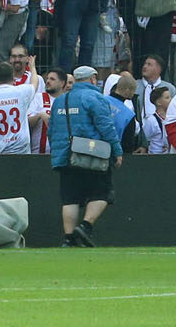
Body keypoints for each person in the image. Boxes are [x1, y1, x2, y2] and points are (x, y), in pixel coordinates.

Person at [49, 65, 122, 247]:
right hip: (92, 155)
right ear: (93, 79)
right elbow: (106, 127)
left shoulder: (60, 101)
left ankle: (68, 239)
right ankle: (85, 226)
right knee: (102, 192)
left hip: (65, 156)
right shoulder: (95, 97)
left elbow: (51, 131)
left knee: (70, 198)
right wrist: (117, 151)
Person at [0, 61, 44, 154]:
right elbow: (35, 83)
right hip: (20, 152)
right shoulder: (22, 91)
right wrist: (32, 67)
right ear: (12, 76)